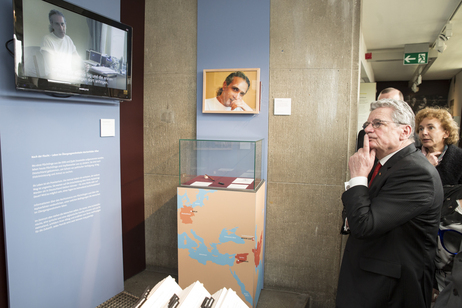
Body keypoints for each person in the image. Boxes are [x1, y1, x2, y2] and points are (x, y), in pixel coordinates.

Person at [337, 99, 444, 308]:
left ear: (404, 132)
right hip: (371, 277)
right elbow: (358, 211)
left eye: (378, 124)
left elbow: (365, 224)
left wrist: (358, 177)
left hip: (389, 290)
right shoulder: (385, 163)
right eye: (366, 125)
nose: (368, 129)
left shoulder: (416, 172)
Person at [415, 107, 462, 303]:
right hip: (419, 233)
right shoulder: (413, 158)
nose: (424, 132)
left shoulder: (459, 159)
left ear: (446, 133)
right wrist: (425, 169)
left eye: (431, 127)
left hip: (450, 242)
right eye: (420, 128)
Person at [40, 10, 82, 82]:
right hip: (53, 81)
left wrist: (83, 65)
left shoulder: (68, 39)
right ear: (52, 24)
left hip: (68, 80)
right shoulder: (47, 39)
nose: (61, 28)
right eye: (57, 24)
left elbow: (77, 59)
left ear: (65, 24)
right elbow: (52, 68)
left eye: (62, 24)